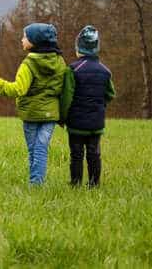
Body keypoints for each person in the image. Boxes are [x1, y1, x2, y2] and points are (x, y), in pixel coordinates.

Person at [0, 23, 68, 186]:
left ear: (35, 41)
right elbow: (64, 88)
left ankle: (36, 184)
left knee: (35, 149)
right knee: (41, 148)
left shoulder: (29, 64)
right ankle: (36, 182)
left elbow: (18, 89)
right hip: (51, 115)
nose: (22, 39)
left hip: (31, 114)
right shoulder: (60, 61)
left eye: (25, 36)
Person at [59, 25, 116, 188]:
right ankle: (94, 183)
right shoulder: (105, 71)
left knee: (76, 154)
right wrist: (100, 104)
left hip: (76, 122)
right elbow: (111, 93)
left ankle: (75, 183)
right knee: (94, 153)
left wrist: (63, 117)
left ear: (79, 48)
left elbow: (67, 97)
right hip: (97, 122)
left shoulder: (73, 69)